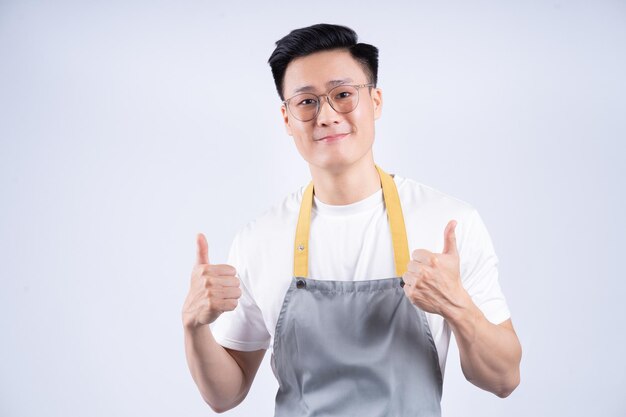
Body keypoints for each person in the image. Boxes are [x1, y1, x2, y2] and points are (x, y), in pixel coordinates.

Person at [182, 23, 522, 416]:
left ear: (375, 102)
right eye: (306, 102)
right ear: (286, 118)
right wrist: (194, 326)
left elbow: (503, 380)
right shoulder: (258, 239)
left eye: (343, 95)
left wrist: (458, 307)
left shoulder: (448, 224)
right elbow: (225, 395)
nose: (325, 115)